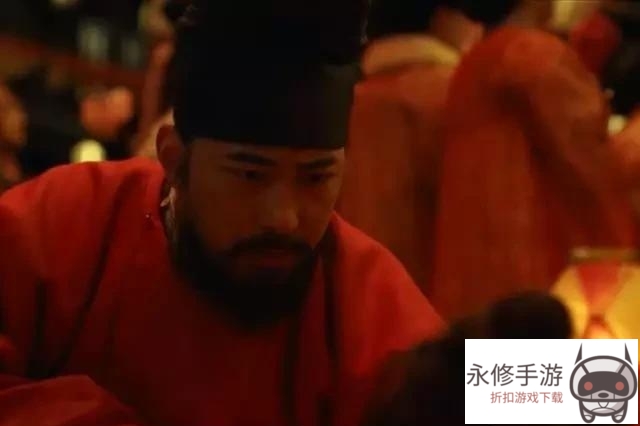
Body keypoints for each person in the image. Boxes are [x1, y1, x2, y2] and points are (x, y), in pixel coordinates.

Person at [0, 1, 444, 425]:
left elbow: (475, 393)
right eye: (250, 175)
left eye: (315, 178)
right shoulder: (70, 219)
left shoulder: (360, 289)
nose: (283, 217)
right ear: (174, 159)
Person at [430, 22, 638, 322]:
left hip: (481, 282)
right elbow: (594, 164)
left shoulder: (477, 61)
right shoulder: (532, 54)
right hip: (541, 271)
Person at [337, 0, 517, 292]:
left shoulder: (345, 103)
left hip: (360, 289)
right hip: (445, 292)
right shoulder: (464, 95)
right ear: (442, 16)